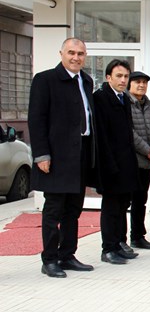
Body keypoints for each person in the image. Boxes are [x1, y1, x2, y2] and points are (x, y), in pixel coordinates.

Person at [28, 38, 96, 278]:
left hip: (81, 154)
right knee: (53, 210)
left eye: (80, 53)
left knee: (73, 209)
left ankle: (67, 255)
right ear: (61, 54)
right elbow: (36, 120)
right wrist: (41, 154)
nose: (76, 57)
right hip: (56, 156)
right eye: (71, 52)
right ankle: (49, 259)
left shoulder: (86, 81)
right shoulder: (45, 80)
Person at [93, 59, 141, 265]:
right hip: (110, 164)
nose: (123, 80)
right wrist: (109, 164)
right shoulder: (101, 98)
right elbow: (102, 135)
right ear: (108, 77)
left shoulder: (124, 98)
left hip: (126, 163)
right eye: (119, 76)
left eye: (126, 76)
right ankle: (108, 248)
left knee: (122, 206)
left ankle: (119, 244)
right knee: (111, 207)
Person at [127, 71, 150, 250]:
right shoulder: (125, 103)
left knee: (141, 200)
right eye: (137, 82)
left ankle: (138, 236)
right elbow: (130, 133)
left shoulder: (149, 105)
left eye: (144, 82)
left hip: (147, 162)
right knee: (126, 201)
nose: (141, 85)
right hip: (132, 160)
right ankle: (120, 239)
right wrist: (148, 150)